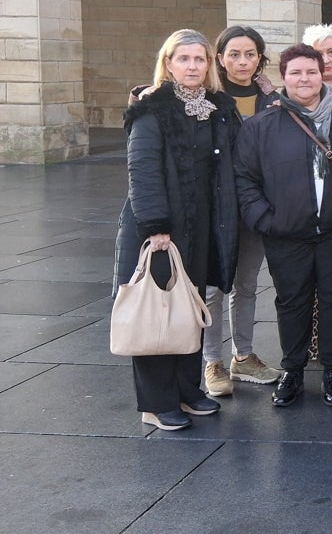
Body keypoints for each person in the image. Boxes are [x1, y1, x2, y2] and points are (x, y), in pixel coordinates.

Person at [113, 29, 240, 431]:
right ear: (168, 64)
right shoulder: (152, 109)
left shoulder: (218, 106)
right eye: (183, 59)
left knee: (189, 306)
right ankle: (157, 401)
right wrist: (156, 227)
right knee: (156, 308)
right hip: (160, 227)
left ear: (209, 65)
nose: (192, 66)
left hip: (200, 225)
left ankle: (188, 390)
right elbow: (142, 170)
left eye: (199, 59)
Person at [234, 44, 332, 408]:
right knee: (292, 302)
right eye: (295, 73)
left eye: (311, 72)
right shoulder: (263, 126)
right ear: (283, 78)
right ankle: (293, 369)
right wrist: (265, 220)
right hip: (286, 233)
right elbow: (245, 178)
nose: (304, 79)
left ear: (323, 74)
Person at [202, 25, 281, 397]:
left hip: (255, 205)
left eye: (250, 54)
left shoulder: (273, 101)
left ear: (260, 59)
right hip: (217, 206)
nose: (242, 61)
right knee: (216, 285)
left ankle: (244, 356)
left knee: (247, 284)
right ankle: (212, 361)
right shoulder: (206, 99)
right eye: (234, 54)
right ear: (220, 58)